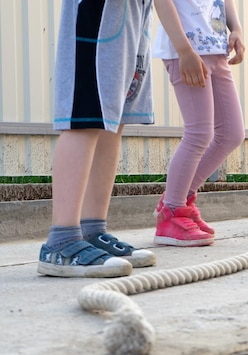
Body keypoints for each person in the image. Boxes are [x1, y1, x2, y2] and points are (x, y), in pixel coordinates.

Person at [38, 0, 156, 278]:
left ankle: (92, 230)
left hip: (135, 10)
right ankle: (62, 240)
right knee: (85, 113)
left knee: (112, 121)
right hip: (100, 8)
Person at [152, 0, 246, 246]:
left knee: (231, 134)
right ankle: (171, 214)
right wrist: (184, 51)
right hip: (187, 51)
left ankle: (178, 198)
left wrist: (236, 28)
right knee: (199, 134)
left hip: (216, 48)